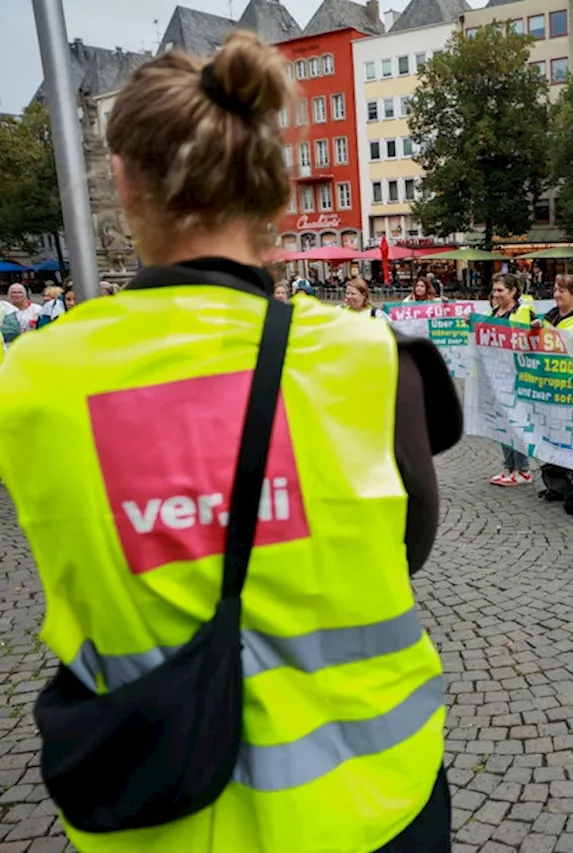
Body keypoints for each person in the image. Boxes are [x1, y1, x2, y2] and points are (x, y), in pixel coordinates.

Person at [0, 30, 455, 853]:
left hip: (157, 818)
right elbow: (408, 551)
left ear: (123, 180)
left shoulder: (29, 377)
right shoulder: (374, 359)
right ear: (276, 187)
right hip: (378, 801)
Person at [488, 273, 535, 487]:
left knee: (516, 422)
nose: (496, 294)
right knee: (502, 422)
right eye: (495, 290)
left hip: (517, 374)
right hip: (498, 374)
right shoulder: (494, 312)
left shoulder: (523, 311)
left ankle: (522, 469)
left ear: (513, 291)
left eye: (500, 290)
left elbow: (533, 340)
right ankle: (508, 466)